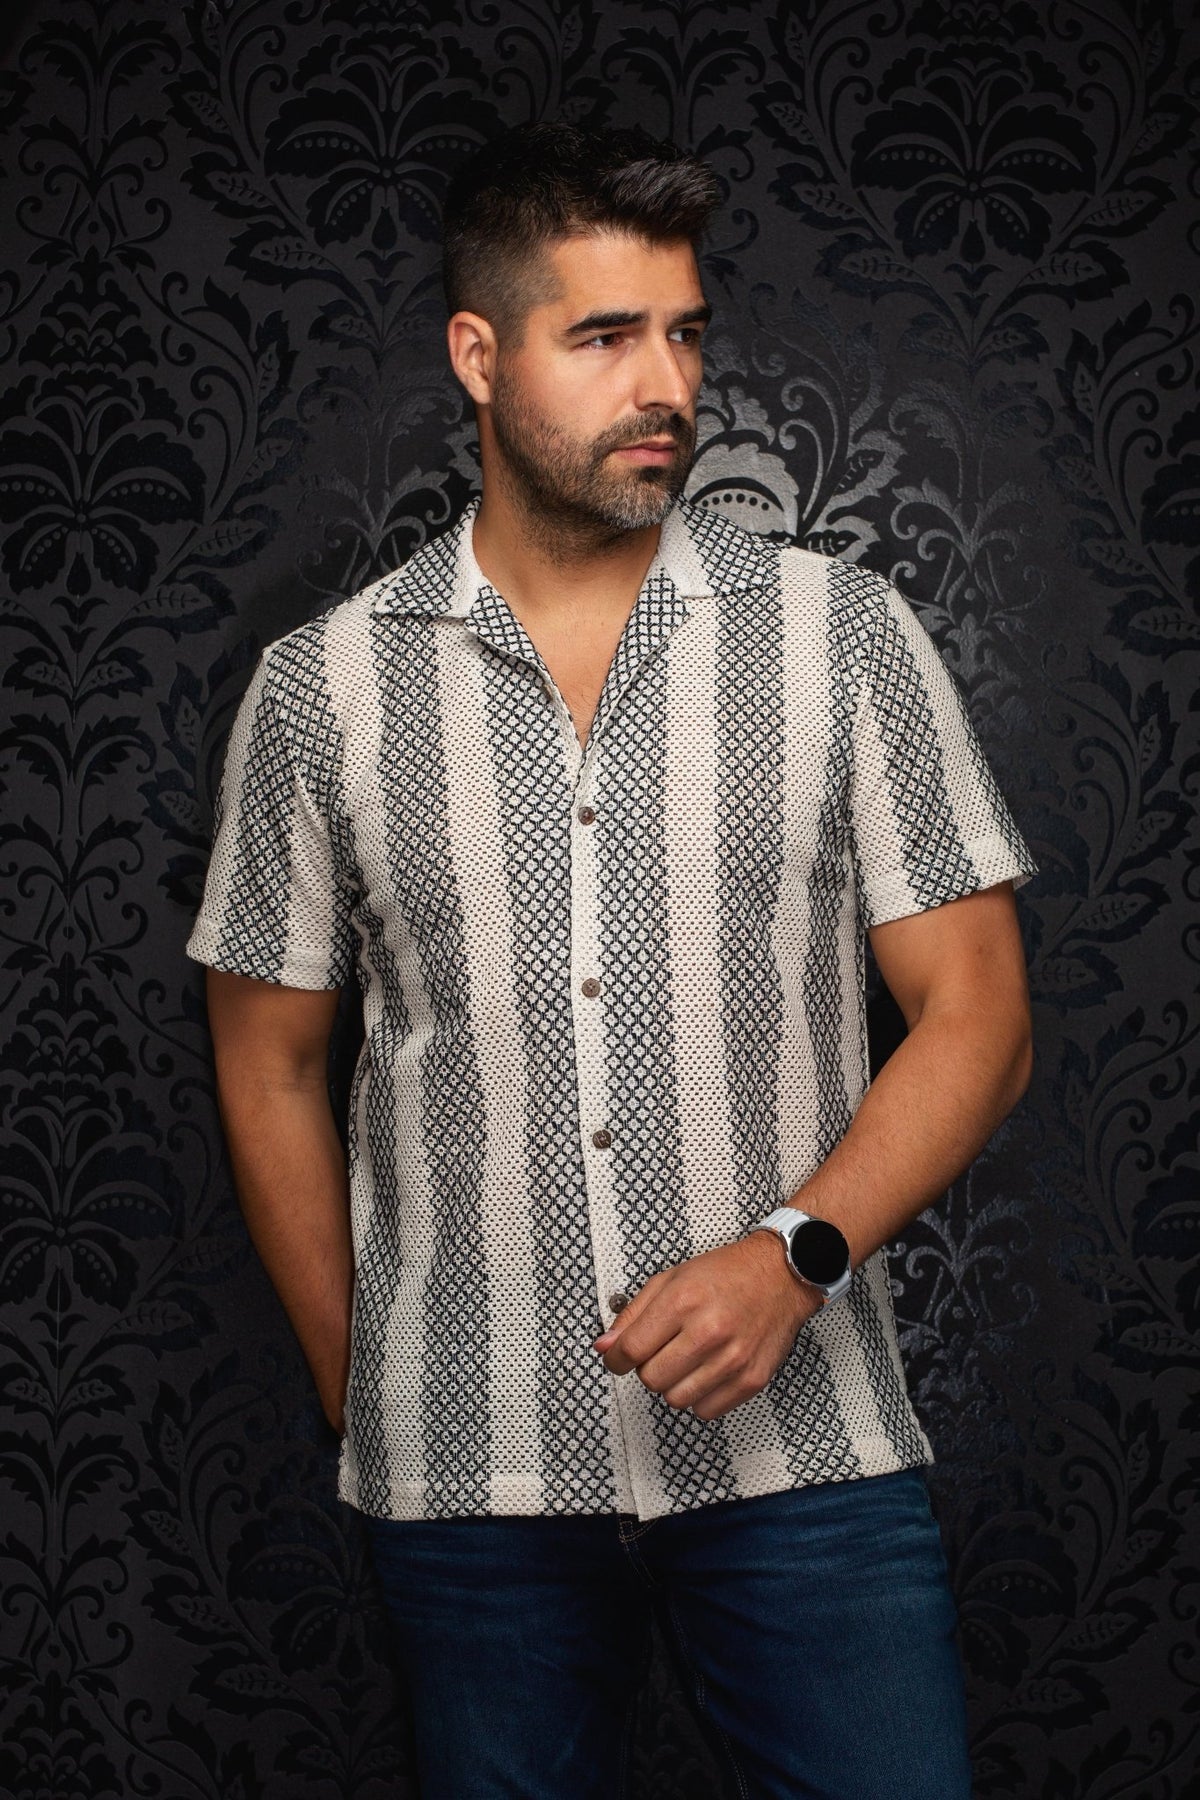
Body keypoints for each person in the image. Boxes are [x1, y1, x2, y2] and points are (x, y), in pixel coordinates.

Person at [184, 120, 1038, 1800]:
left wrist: (795, 1255)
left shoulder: (843, 636)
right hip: (469, 1490)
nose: (666, 384)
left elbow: (982, 1016)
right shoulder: (320, 690)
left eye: (685, 332)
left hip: (804, 1466)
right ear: (478, 355)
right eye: (604, 337)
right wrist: (374, 1393)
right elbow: (267, 1059)